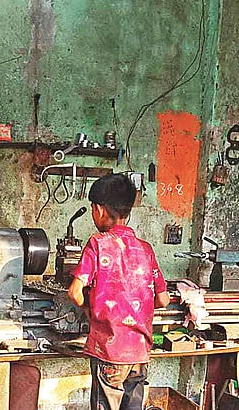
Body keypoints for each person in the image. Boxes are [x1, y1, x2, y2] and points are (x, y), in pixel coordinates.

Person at [68, 173, 170, 410]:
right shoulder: (146, 249)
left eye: (93, 210)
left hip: (109, 350)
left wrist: (90, 306)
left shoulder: (97, 243)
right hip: (140, 353)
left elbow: (75, 292)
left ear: (100, 210)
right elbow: (163, 300)